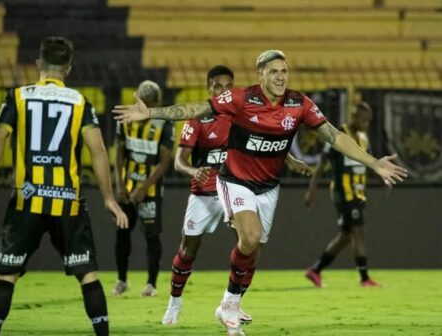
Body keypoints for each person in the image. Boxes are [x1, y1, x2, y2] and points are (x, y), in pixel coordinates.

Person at [113, 49, 407, 336]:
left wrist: (373, 163)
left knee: (252, 251)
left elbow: (334, 135)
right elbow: (195, 109)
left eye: (284, 71)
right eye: (274, 72)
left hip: (268, 187)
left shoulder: (298, 104)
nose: (281, 77)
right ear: (261, 75)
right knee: (248, 237)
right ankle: (225, 305)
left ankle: (231, 304)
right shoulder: (242, 98)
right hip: (234, 181)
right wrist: (151, 112)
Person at [0, 36, 128, 336]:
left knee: (6, 275)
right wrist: (109, 199)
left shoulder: (18, 96)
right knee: (87, 275)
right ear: (68, 69)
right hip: (67, 202)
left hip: (26, 201)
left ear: (38, 64)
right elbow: (98, 150)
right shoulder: (80, 102)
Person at [161, 65, 311, 326]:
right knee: (188, 249)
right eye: (217, 86)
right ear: (209, 89)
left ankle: (233, 303)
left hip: (236, 184)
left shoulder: (240, 113)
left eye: (228, 87)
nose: (223, 91)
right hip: (205, 193)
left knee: (251, 245)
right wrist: (193, 171)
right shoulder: (199, 119)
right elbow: (178, 161)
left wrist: (290, 160)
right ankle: (175, 301)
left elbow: (265, 139)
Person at [304, 102, 381, 287]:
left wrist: (382, 177)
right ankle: (364, 278)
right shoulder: (338, 134)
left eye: (368, 121)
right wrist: (312, 189)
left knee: (346, 236)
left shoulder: (363, 138)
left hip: (359, 192)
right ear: (353, 117)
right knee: (358, 231)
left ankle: (315, 270)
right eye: (362, 119)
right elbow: (322, 163)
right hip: (344, 193)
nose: (365, 123)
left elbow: (370, 162)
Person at [111, 80, 174, 297]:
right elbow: (119, 151)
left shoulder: (164, 123)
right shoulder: (125, 119)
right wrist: (119, 184)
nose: (143, 107)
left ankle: (151, 284)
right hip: (126, 190)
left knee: (152, 235)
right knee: (122, 232)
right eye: (141, 102)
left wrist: (143, 189)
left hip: (151, 192)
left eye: (148, 103)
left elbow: (164, 162)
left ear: (156, 102)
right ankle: (121, 280)